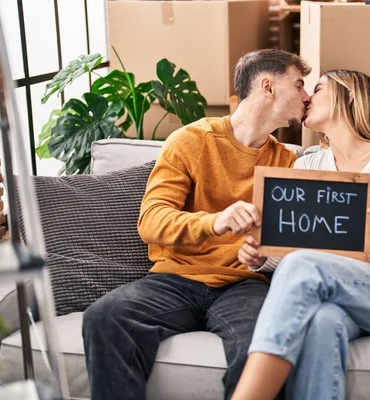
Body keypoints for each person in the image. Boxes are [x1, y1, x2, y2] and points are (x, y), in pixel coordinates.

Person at [81, 49, 312, 400]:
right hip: (175, 278)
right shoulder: (191, 141)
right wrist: (214, 222)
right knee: (105, 317)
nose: (306, 96)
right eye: (299, 85)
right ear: (268, 86)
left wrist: (263, 251)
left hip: (245, 284)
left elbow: (292, 243)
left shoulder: (288, 162)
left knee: (264, 350)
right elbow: (152, 220)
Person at [231, 69, 370, 400]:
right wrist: (261, 258)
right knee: (323, 321)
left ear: (350, 96)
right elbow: (292, 248)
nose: (308, 97)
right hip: (329, 290)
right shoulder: (305, 168)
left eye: (318, 88)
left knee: (300, 266)